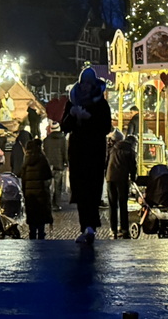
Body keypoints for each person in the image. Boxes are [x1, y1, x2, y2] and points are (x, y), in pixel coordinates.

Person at [62, 65, 113, 244]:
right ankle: (86, 226)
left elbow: (106, 127)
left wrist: (89, 119)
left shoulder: (101, 104)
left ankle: (90, 226)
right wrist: (73, 117)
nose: (85, 87)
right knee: (80, 190)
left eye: (88, 84)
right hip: (77, 151)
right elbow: (64, 126)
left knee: (92, 189)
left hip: (95, 151)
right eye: (83, 84)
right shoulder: (72, 101)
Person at [105, 129, 136, 237]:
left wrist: (106, 175)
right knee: (123, 204)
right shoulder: (130, 150)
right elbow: (133, 167)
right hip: (122, 179)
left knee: (112, 205)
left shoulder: (112, 149)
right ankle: (124, 229)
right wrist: (133, 178)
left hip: (110, 178)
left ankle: (113, 229)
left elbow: (106, 163)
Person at [21, 138, 54, 239]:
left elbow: (23, 177)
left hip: (29, 195)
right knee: (40, 220)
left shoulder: (26, 160)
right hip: (41, 194)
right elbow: (48, 175)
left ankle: (32, 237)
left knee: (32, 218)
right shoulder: (42, 159)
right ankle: (41, 238)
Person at [43, 123, 67, 209]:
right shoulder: (62, 139)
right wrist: (66, 162)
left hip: (48, 165)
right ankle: (56, 204)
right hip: (59, 165)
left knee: (47, 186)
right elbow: (65, 152)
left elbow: (44, 153)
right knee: (58, 186)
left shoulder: (46, 140)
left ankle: (47, 203)